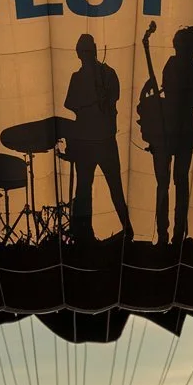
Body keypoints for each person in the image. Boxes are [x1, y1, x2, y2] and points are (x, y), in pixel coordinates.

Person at [64, 34, 133, 242]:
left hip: (100, 139)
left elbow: (110, 100)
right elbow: (70, 103)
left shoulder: (106, 74)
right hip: (91, 139)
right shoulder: (84, 76)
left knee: (108, 186)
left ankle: (125, 229)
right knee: (88, 187)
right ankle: (85, 233)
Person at [141, 25, 193, 246]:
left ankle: (165, 234)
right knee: (179, 182)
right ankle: (175, 234)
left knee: (165, 183)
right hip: (182, 130)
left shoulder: (175, 65)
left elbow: (170, 90)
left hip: (170, 129)